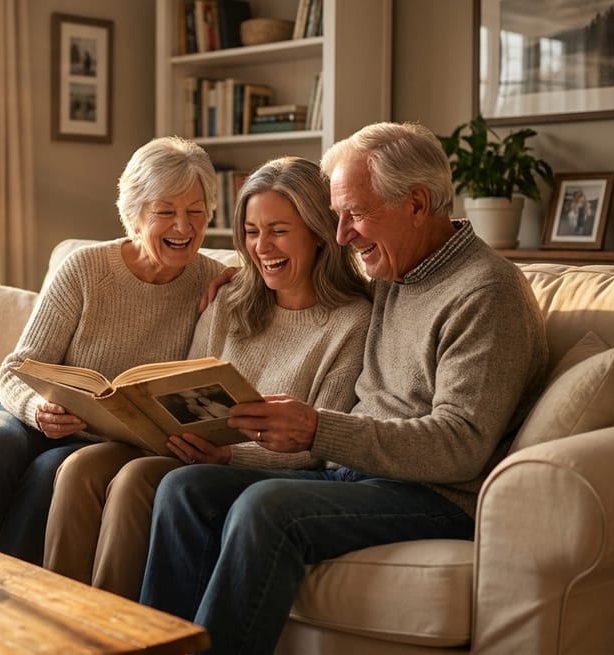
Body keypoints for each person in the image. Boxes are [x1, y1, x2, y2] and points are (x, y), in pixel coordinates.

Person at [138, 122, 549, 654]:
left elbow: (461, 445)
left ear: (417, 203)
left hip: (435, 493)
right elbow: (297, 258)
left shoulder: (485, 292)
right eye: (337, 217)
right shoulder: (398, 267)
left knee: (265, 509)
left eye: (354, 214)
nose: (343, 235)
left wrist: (316, 429)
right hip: (362, 477)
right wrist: (239, 267)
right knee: (184, 488)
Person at [44, 156, 372, 600]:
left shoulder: (351, 322)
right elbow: (185, 386)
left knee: (135, 480)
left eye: (278, 231)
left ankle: (112, 631)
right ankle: (52, 618)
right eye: (252, 233)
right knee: (81, 466)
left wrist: (230, 457)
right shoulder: (230, 298)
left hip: (248, 466)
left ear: (317, 231)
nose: (262, 248)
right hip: (188, 448)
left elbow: (320, 442)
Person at [0, 136, 228, 564]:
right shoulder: (86, 269)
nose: (183, 228)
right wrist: (38, 408)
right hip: (23, 410)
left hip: (94, 439)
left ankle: (11, 596)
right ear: (133, 215)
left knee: (48, 474)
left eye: (195, 212)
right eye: (165, 212)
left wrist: (240, 284)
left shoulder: (214, 283)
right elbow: (16, 368)